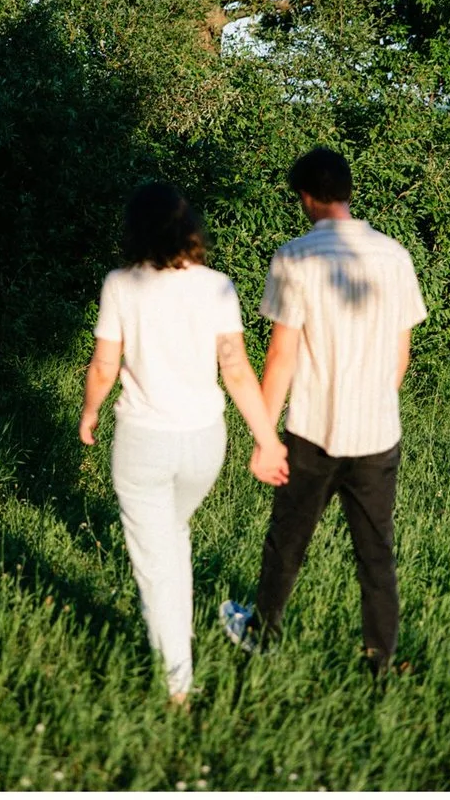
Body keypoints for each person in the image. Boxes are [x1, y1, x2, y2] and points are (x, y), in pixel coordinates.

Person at [79, 182, 289, 707]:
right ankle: (181, 638)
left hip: (144, 441)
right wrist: (268, 440)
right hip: (203, 442)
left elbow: (106, 364)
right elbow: (236, 368)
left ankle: (178, 682)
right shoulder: (217, 286)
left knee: (155, 560)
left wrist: (89, 412)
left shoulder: (121, 284)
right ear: (190, 228)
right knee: (172, 537)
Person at [221, 147, 427, 675]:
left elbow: (281, 356)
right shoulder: (395, 257)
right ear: (348, 191)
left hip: (311, 428)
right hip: (377, 432)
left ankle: (262, 635)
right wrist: (378, 401)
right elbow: (401, 356)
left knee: (286, 543)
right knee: (376, 553)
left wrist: (264, 438)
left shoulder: (295, 257)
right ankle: (379, 661)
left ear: (308, 197)